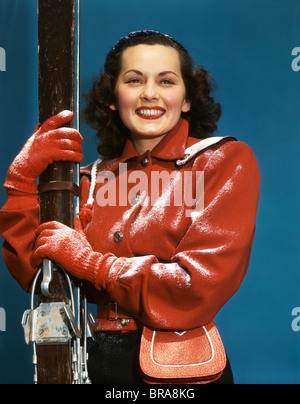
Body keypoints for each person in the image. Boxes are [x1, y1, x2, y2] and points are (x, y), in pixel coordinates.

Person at [0, 30, 260, 384]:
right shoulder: (92, 179)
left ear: (186, 99)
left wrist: (91, 264)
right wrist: (21, 185)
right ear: (112, 97)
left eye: (166, 81)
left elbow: (198, 285)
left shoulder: (223, 161)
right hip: (91, 361)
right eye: (134, 80)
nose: (149, 93)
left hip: (177, 371)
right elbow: (39, 276)